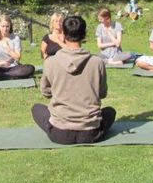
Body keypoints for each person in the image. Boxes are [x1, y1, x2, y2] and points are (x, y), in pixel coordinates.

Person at [31, 15, 116, 145]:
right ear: (84, 34)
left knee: (36, 108)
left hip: (59, 132)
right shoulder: (97, 62)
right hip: (90, 132)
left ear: (63, 34)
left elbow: (46, 92)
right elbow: (102, 93)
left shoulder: (50, 62)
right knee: (110, 111)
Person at [0, 15, 35, 81]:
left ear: (10, 26)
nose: (5, 29)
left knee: (30, 68)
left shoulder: (15, 38)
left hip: (13, 67)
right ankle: (12, 77)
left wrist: (8, 48)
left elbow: (17, 57)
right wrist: (0, 63)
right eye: (3, 26)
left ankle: (6, 76)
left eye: (7, 26)